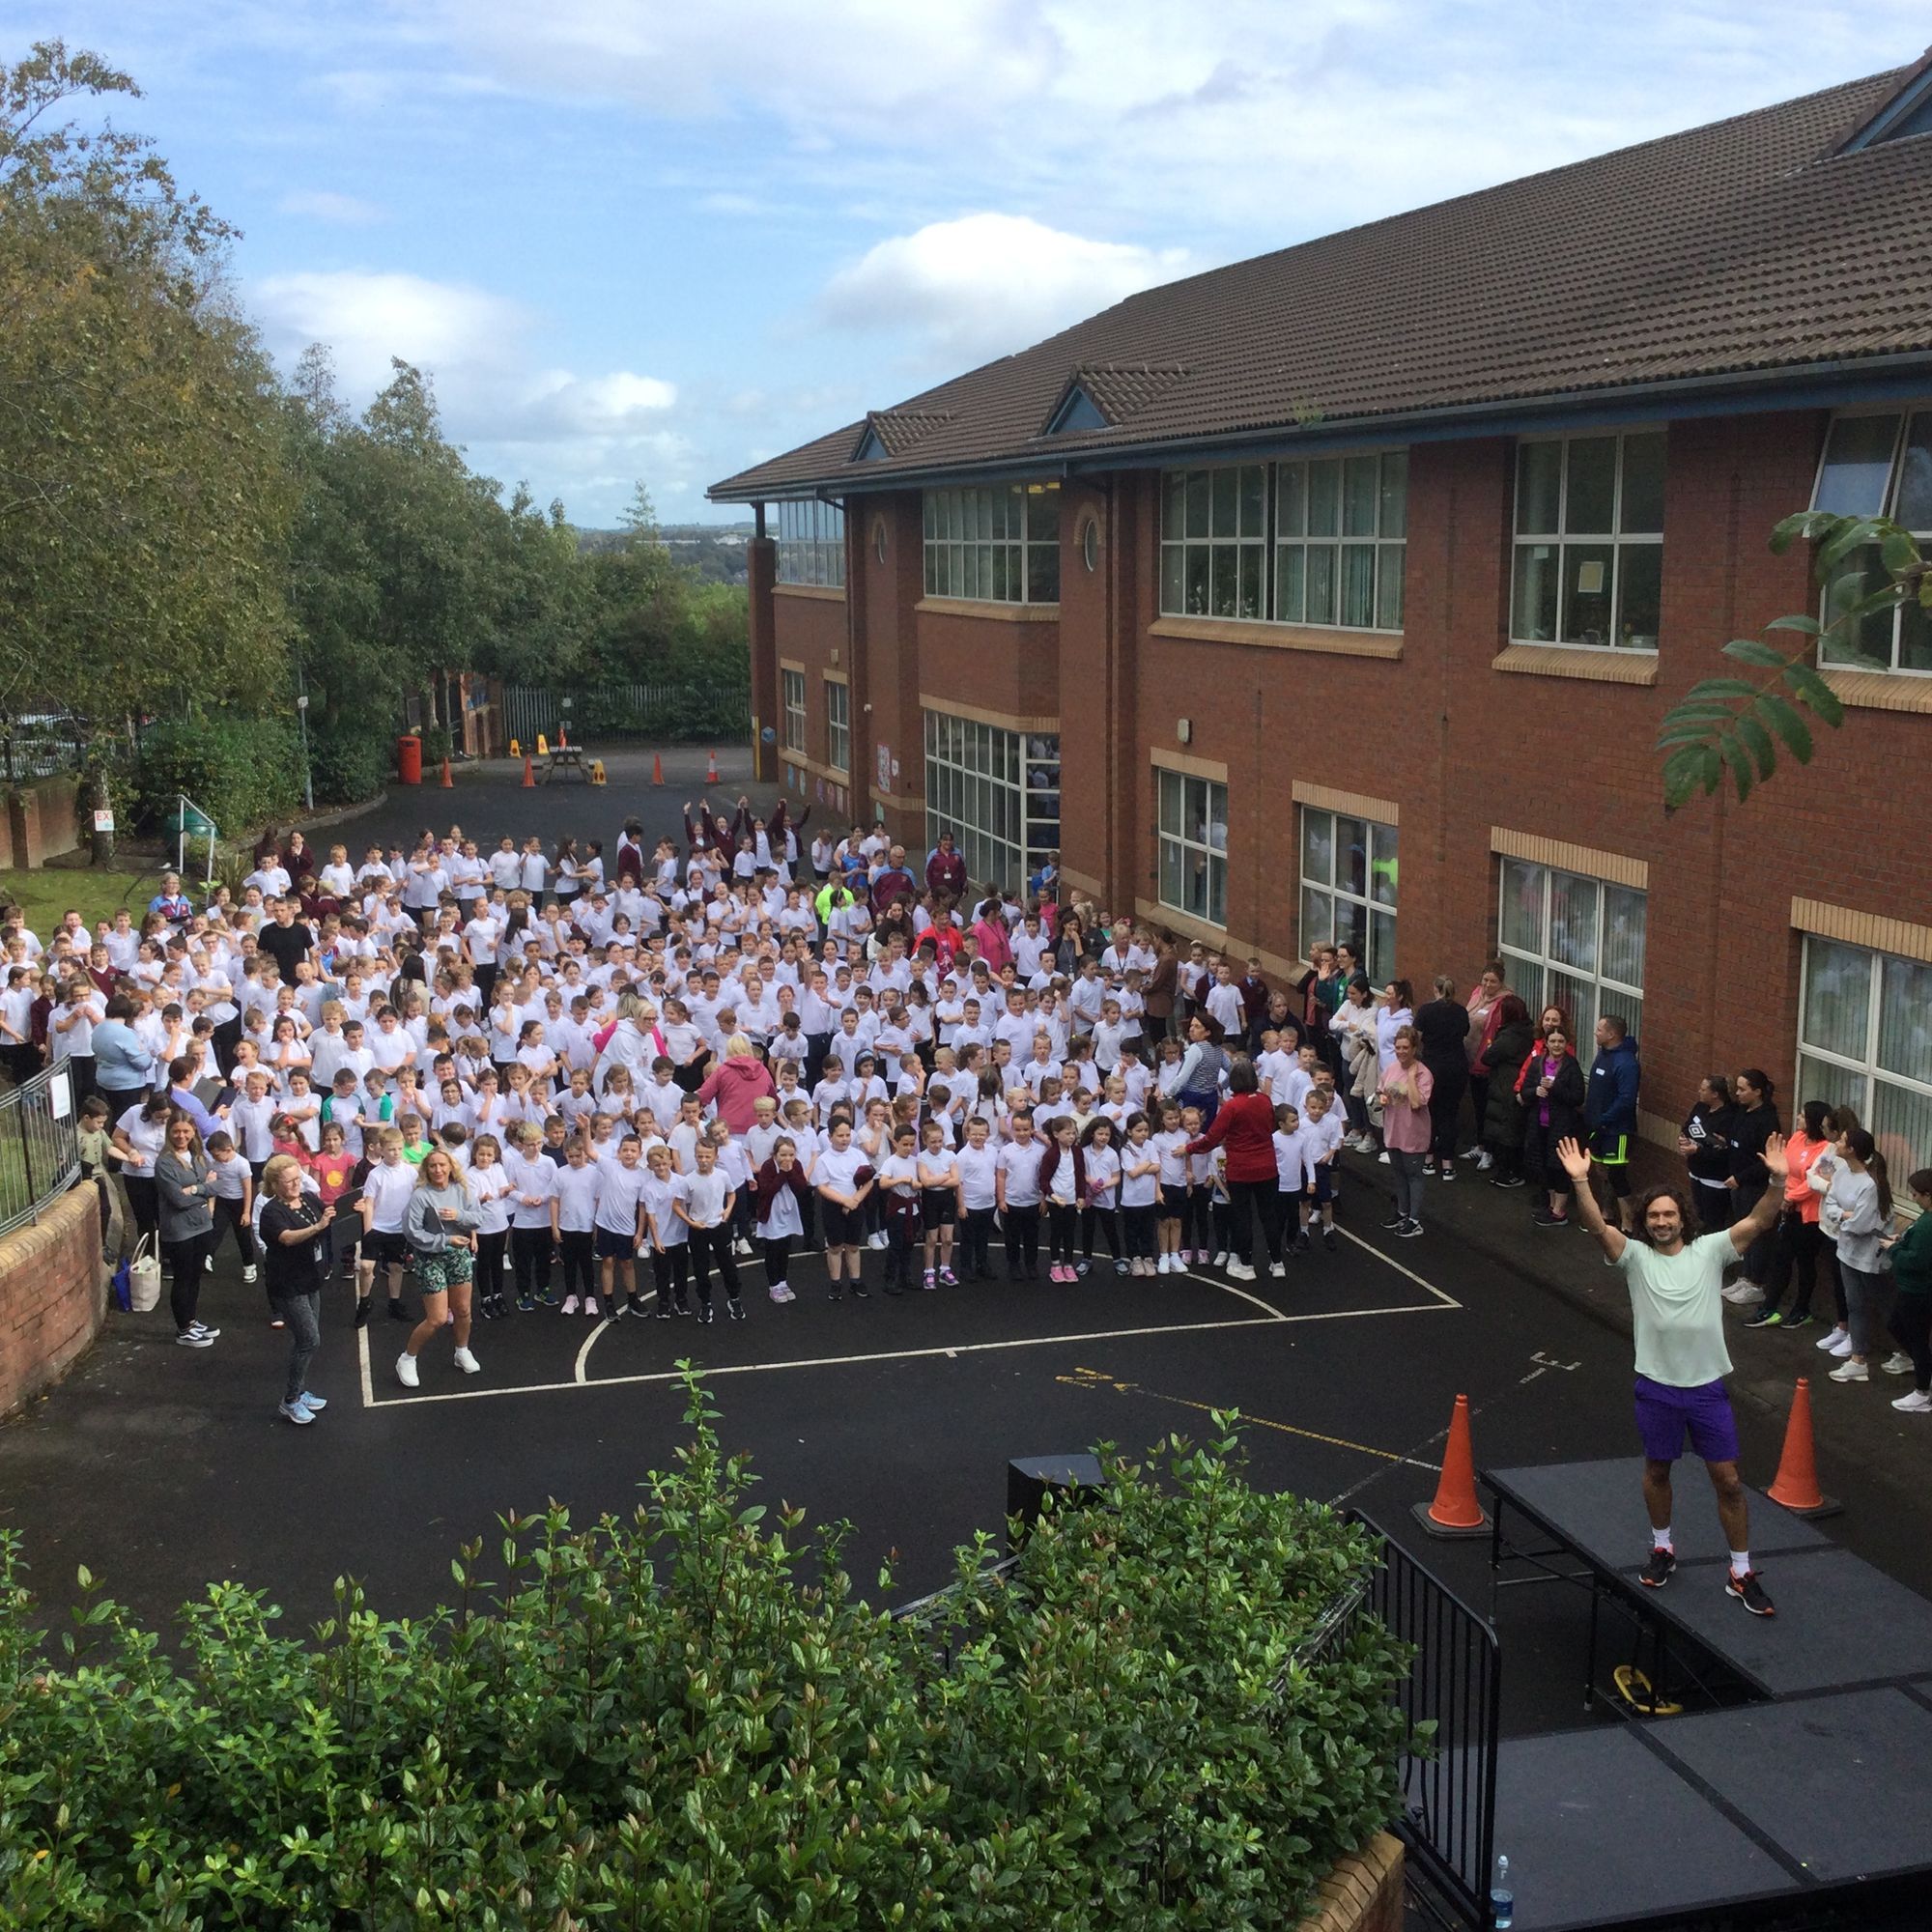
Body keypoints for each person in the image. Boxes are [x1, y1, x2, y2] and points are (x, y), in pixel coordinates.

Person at [1557, 1132, 1789, 1617]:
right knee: (1658, 1470)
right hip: (1657, 1389)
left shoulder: (1711, 1251)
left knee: (1727, 1481)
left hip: (1706, 1391)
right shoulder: (1635, 1259)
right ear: (1645, 1222)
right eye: (1654, 1216)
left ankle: (1741, 1572)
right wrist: (1581, 1182)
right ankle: (1662, 1547)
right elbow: (1597, 1227)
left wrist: (1778, 1179)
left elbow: (1761, 1219)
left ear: (1684, 1218)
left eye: (1670, 1215)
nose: (1662, 1222)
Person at [1745, 1099, 1837, 1333]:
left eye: (1803, 1115)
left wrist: (1791, 1197)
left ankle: (1801, 1309)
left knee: (1805, 1262)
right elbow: (1784, 1165)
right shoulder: (1797, 1137)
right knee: (1782, 1258)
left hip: (1809, 1215)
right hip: (1788, 1208)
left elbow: (1818, 1182)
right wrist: (1784, 1194)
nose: (1798, 1117)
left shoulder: (1827, 1149)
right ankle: (1770, 1307)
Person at [1810, 1125, 1892, 1384]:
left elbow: (1861, 1226)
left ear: (1852, 1149)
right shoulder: (1843, 1171)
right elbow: (1831, 1202)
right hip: (1846, 1250)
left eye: (1843, 1140)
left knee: (1885, 1306)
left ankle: (1909, 1352)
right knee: (1854, 1304)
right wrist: (1845, 1215)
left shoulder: (1870, 1185)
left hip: (1869, 1256)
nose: (1837, 1143)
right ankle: (1858, 1360)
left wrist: (1845, 1219)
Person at [1181, 1059, 1277, 1279]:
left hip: (1241, 1169)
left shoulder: (1232, 1106)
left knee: (1242, 1217)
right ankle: (1277, 1262)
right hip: (1267, 1167)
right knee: (1269, 1215)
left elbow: (1212, 1138)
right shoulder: (1265, 1101)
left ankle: (1246, 1265)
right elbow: (1270, 1126)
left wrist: (1189, 1148)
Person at [257, 1151, 333, 1425]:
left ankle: (300, 1392)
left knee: (307, 1340)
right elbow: (287, 1238)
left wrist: (342, 1213)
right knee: (309, 1340)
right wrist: (317, 1227)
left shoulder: (309, 1199)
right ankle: (290, 1400)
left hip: (310, 1278)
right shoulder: (272, 1212)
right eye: (288, 1181)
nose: (295, 1184)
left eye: (297, 1178)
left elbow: (327, 1216)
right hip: (288, 1284)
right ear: (275, 1185)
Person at [398, 1146, 481, 1386]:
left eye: (442, 1165)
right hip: (430, 1257)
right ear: (426, 1169)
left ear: (450, 1167)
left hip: (458, 1255)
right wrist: (445, 1240)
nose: (437, 1169)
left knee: (463, 1310)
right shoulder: (420, 1196)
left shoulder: (463, 1190)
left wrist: (458, 1216)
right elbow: (412, 1232)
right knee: (437, 1318)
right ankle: (407, 1358)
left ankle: (461, 1351)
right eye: (432, 1165)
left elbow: (477, 1218)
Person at [155, 1112, 220, 1348]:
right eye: (176, 1131)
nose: (181, 1136)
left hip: (202, 1225)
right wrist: (205, 1188)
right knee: (183, 1278)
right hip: (179, 1230)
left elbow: (217, 1186)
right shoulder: (164, 1163)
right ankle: (183, 1329)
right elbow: (176, 1200)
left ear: (193, 1132)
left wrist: (193, 1190)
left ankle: (191, 1321)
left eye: (185, 1131)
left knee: (195, 1276)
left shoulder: (199, 1157)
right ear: (169, 1133)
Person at [1520, 1023, 1585, 1227]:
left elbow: (1577, 1097)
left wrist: (1555, 1088)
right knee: (1543, 1165)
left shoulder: (1571, 1066)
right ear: (1545, 1043)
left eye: (1561, 1041)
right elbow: (1525, 1090)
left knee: (1558, 1167)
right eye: (1553, 1041)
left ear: (1566, 1044)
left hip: (1561, 1126)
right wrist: (1534, 1092)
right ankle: (1550, 1205)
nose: (1557, 1045)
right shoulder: (1537, 1063)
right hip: (1539, 1124)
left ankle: (1560, 1211)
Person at [1583, 1014, 1641, 1232]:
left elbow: (1626, 1099)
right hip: (1598, 1128)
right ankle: (1606, 1213)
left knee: (1617, 1174)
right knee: (1602, 1170)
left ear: (1612, 1034)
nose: (1595, 1032)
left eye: (1599, 1029)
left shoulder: (1626, 1064)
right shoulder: (1603, 1055)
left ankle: (1628, 1222)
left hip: (1617, 1131)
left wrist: (1604, 1119)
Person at [1376, 1026, 1434, 1238]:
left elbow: (1418, 1103)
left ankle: (1415, 1220)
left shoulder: (1423, 1073)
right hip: (1393, 1131)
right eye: (1398, 1047)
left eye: (1405, 1047)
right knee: (1399, 1175)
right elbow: (1381, 1090)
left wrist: (1410, 1078)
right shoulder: (1391, 1069)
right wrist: (1381, 1097)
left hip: (1413, 1134)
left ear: (1414, 1048)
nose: (1401, 1052)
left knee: (1414, 1176)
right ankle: (1402, 1212)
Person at [1882, 1170, 1932, 1413]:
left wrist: (1893, 1249)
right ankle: (1924, 1371)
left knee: (1916, 1338)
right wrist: (1902, 1240)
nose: (1913, 1198)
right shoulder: (1925, 1220)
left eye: (1915, 1194)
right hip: (1916, 1289)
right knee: (1899, 1327)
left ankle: (1923, 1391)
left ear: (1928, 1195)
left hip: (1916, 1290)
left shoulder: (1927, 1226)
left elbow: (1917, 1261)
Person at [1413, 976, 1469, 1181]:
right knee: (1450, 1115)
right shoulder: (1461, 1011)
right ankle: (1448, 1165)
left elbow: (1415, 1037)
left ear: (1435, 989)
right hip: (1457, 1067)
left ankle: (1428, 1160)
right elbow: (1464, 1033)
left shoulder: (1426, 1010)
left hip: (1432, 1067)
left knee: (1430, 1114)